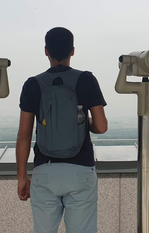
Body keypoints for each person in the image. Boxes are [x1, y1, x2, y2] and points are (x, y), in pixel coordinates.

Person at [16, 27, 108, 233]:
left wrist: (22, 176)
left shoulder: (32, 84)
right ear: (72, 50)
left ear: (46, 51)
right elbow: (101, 127)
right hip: (81, 169)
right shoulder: (86, 79)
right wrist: (85, 122)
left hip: (45, 170)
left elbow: (24, 135)